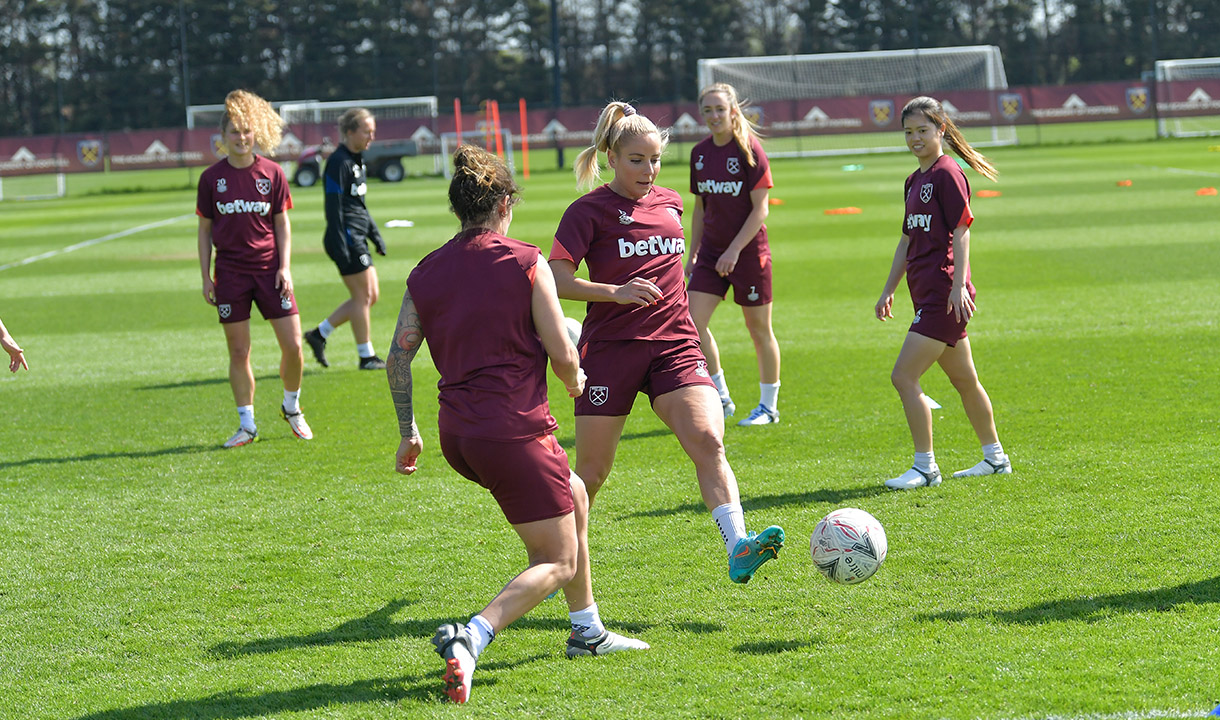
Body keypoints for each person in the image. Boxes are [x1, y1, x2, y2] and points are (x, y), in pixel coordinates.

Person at [388, 145, 647, 705]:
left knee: (575, 493)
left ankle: (587, 632)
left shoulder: (425, 270)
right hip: (512, 432)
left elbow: (398, 356)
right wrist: (575, 378)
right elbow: (561, 350)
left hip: (460, 436)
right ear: (505, 203)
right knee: (557, 559)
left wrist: (408, 430)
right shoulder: (526, 260)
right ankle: (472, 637)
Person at [549, 101, 784, 584]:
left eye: (655, 159)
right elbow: (555, 280)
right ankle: (558, 561)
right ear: (612, 157)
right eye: (637, 159)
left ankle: (738, 545)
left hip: (675, 345)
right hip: (612, 349)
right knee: (590, 474)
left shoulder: (672, 202)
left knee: (708, 440)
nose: (648, 169)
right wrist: (615, 292)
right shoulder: (586, 212)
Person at [874, 96, 1012, 489]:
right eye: (908, 132)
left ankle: (925, 467)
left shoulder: (948, 173)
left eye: (922, 130)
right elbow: (905, 241)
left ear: (941, 130)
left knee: (903, 376)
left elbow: (962, 231)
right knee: (966, 381)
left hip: (943, 295)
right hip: (927, 293)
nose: (915, 138)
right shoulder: (914, 180)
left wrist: (957, 287)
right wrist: (888, 290)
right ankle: (995, 458)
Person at [197, 89, 312, 448]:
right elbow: (204, 231)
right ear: (222, 137)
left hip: (270, 271)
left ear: (255, 133)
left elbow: (282, 224)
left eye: (247, 131)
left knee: (293, 346)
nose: (242, 138)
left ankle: (291, 407)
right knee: (238, 352)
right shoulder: (211, 179)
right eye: (234, 132)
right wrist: (205, 275)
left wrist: (285, 267)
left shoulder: (272, 173)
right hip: (230, 274)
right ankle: (246, 424)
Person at [687, 82, 781, 426]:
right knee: (693, 324)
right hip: (711, 254)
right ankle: (721, 397)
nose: (714, 116)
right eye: (708, 110)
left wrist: (734, 251)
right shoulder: (699, 153)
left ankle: (768, 407)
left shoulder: (750, 151)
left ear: (733, 112)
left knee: (758, 330)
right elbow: (700, 208)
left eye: (720, 109)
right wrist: (693, 253)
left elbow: (761, 211)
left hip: (748, 254)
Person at [304, 108, 388, 370]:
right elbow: (334, 206)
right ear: (350, 131)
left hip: (359, 235)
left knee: (371, 295)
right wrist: (341, 242)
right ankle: (366, 356)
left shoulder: (358, 160)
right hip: (346, 237)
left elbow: (359, 205)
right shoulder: (338, 162)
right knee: (362, 296)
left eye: (373, 131)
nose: (371, 136)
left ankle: (319, 334)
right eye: (366, 131)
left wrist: (375, 234)